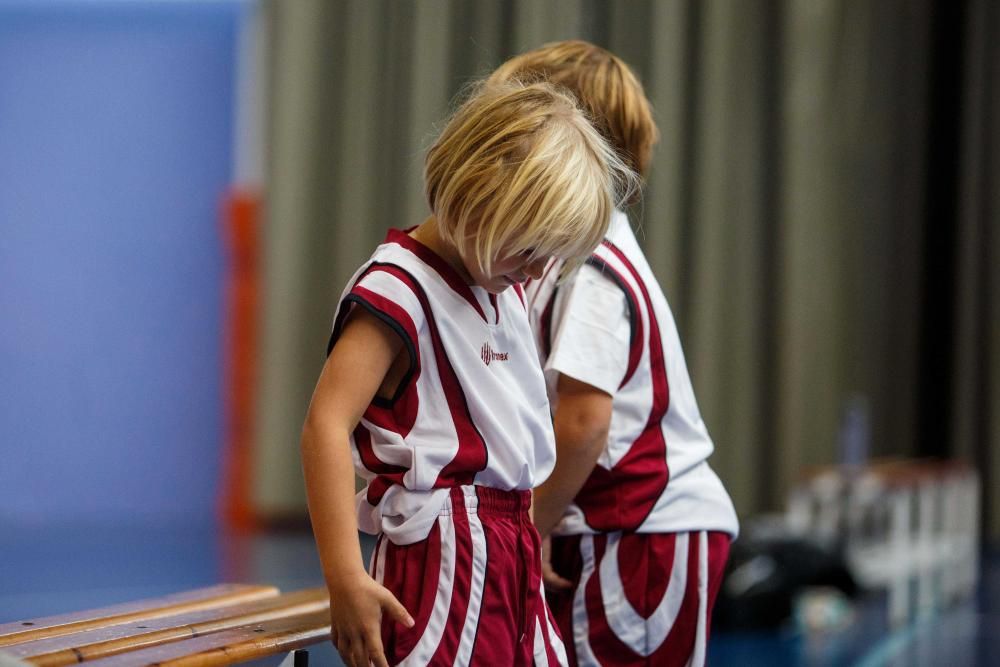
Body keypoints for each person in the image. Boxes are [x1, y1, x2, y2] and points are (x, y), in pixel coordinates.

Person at [300, 78, 637, 667]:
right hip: (442, 557)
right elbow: (325, 426)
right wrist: (344, 576)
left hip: (512, 543)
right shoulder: (398, 289)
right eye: (527, 250)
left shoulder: (501, 284)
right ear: (477, 195)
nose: (535, 272)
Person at [490, 41, 740, 667]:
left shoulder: (591, 267)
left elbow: (584, 421)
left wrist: (532, 527)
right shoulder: (573, 254)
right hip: (619, 529)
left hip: (645, 533)